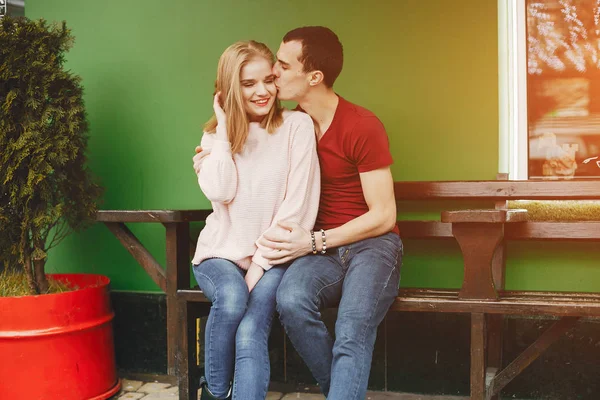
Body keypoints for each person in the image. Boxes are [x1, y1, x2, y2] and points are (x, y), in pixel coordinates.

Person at [257, 26, 403, 400]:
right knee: (289, 300)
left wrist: (314, 240)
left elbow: (383, 215)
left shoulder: (361, 125)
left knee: (351, 331)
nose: (274, 71)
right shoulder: (290, 125)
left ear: (314, 77)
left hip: (372, 247)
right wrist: (211, 155)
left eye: (284, 65)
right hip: (321, 252)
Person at [191, 40, 320, 400]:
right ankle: (216, 392)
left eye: (268, 80)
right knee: (231, 300)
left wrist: (258, 265)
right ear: (230, 89)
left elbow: (297, 208)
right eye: (248, 84)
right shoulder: (215, 137)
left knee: (250, 330)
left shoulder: (297, 126)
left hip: (276, 256)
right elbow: (221, 191)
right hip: (219, 254)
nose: (263, 92)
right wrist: (221, 131)